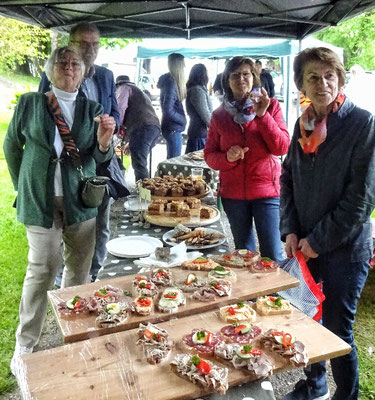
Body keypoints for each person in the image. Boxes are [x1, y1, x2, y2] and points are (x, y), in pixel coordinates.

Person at [5, 46, 115, 377]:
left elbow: (100, 158)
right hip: (39, 200)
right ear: (50, 70)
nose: (69, 68)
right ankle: (26, 342)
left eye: (75, 64)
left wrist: (105, 141)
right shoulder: (29, 103)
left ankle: (73, 332)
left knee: (78, 270)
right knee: (42, 268)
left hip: (81, 201)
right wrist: (21, 184)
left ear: (83, 72)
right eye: (62, 63)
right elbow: (11, 146)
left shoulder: (92, 108)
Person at [280, 47, 375, 400]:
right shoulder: (302, 123)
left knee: (339, 329)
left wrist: (317, 240)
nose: (323, 84)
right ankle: (315, 385)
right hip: (306, 244)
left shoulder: (362, 123)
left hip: (346, 249)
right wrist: (289, 229)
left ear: (341, 79)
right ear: (301, 84)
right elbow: (287, 177)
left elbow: (361, 200)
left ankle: (346, 395)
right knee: (307, 319)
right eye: (313, 77)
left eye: (330, 76)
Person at [39, 22, 128, 283]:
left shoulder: (106, 75)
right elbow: (42, 117)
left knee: (100, 223)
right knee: (64, 224)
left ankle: (94, 273)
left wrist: (109, 127)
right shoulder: (56, 72)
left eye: (95, 44)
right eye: (83, 43)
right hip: (65, 168)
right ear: (70, 42)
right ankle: (59, 278)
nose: (90, 50)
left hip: (99, 165)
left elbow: (115, 112)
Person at [204, 56, 289, 263]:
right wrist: (228, 158)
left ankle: (276, 295)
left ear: (254, 78)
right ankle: (250, 297)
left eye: (246, 74)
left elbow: (282, 146)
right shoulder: (219, 115)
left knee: (273, 255)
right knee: (243, 254)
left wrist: (262, 116)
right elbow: (209, 156)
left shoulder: (272, 107)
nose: (241, 79)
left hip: (266, 192)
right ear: (227, 81)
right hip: (233, 195)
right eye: (235, 75)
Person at [115, 75, 161, 181]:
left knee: (139, 163)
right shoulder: (138, 90)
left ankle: (144, 193)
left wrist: (116, 127)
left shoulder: (124, 88)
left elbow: (120, 109)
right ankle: (146, 190)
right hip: (154, 127)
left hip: (142, 127)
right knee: (140, 161)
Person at [157, 53, 187, 159]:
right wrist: (182, 119)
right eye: (183, 63)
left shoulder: (170, 82)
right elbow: (167, 109)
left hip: (171, 126)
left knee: (172, 159)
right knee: (174, 161)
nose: (185, 66)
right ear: (178, 65)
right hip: (173, 126)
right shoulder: (171, 83)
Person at [185, 63, 213, 153]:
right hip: (199, 132)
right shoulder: (197, 91)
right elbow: (205, 114)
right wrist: (215, 128)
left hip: (199, 131)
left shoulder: (198, 89)